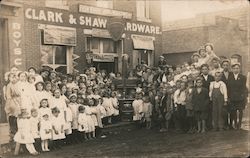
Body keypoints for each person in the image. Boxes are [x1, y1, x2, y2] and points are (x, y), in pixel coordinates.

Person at [227, 63, 247, 130]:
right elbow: (228, 88)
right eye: (234, 68)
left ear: (239, 69)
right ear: (232, 69)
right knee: (234, 111)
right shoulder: (230, 77)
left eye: (237, 68)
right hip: (232, 97)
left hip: (240, 97)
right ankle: (235, 123)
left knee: (240, 111)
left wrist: (244, 96)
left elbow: (244, 88)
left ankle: (239, 124)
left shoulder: (243, 77)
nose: (236, 70)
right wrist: (228, 97)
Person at [4, 73, 21, 142]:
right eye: (12, 77)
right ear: (9, 78)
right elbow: (8, 96)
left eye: (15, 77)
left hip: (18, 101)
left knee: (18, 119)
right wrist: (10, 105)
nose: (13, 79)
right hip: (12, 102)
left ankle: (18, 135)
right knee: (12, 119)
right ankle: (12, 135)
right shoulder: (9, 85)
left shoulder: (18, 84)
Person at [200, 64, 214, 130]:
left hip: (210, 96)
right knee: (203, 111)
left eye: (206, 69)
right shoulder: (199, 78)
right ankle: (204, 126)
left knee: (210, 110)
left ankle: (210, 125)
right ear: (201, 70)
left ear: (208, 70)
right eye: (203, 69)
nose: (204, 70)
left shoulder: (211, 77)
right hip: (202, 97)